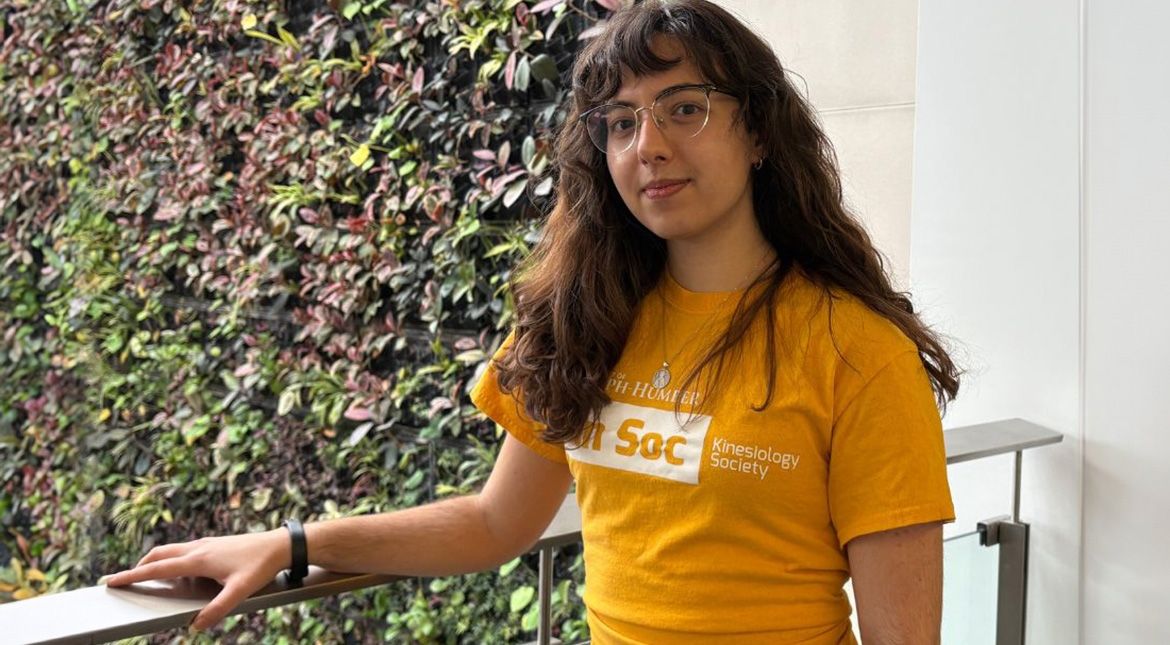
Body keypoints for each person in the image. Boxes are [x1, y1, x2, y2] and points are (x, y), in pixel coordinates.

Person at [106, 1, 959, 642]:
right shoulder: (588, 317)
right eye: (620, 122)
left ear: (759, 131)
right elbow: (493, 521)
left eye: (684, 107)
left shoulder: (858, 352)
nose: (647, 145)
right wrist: (291, 544)